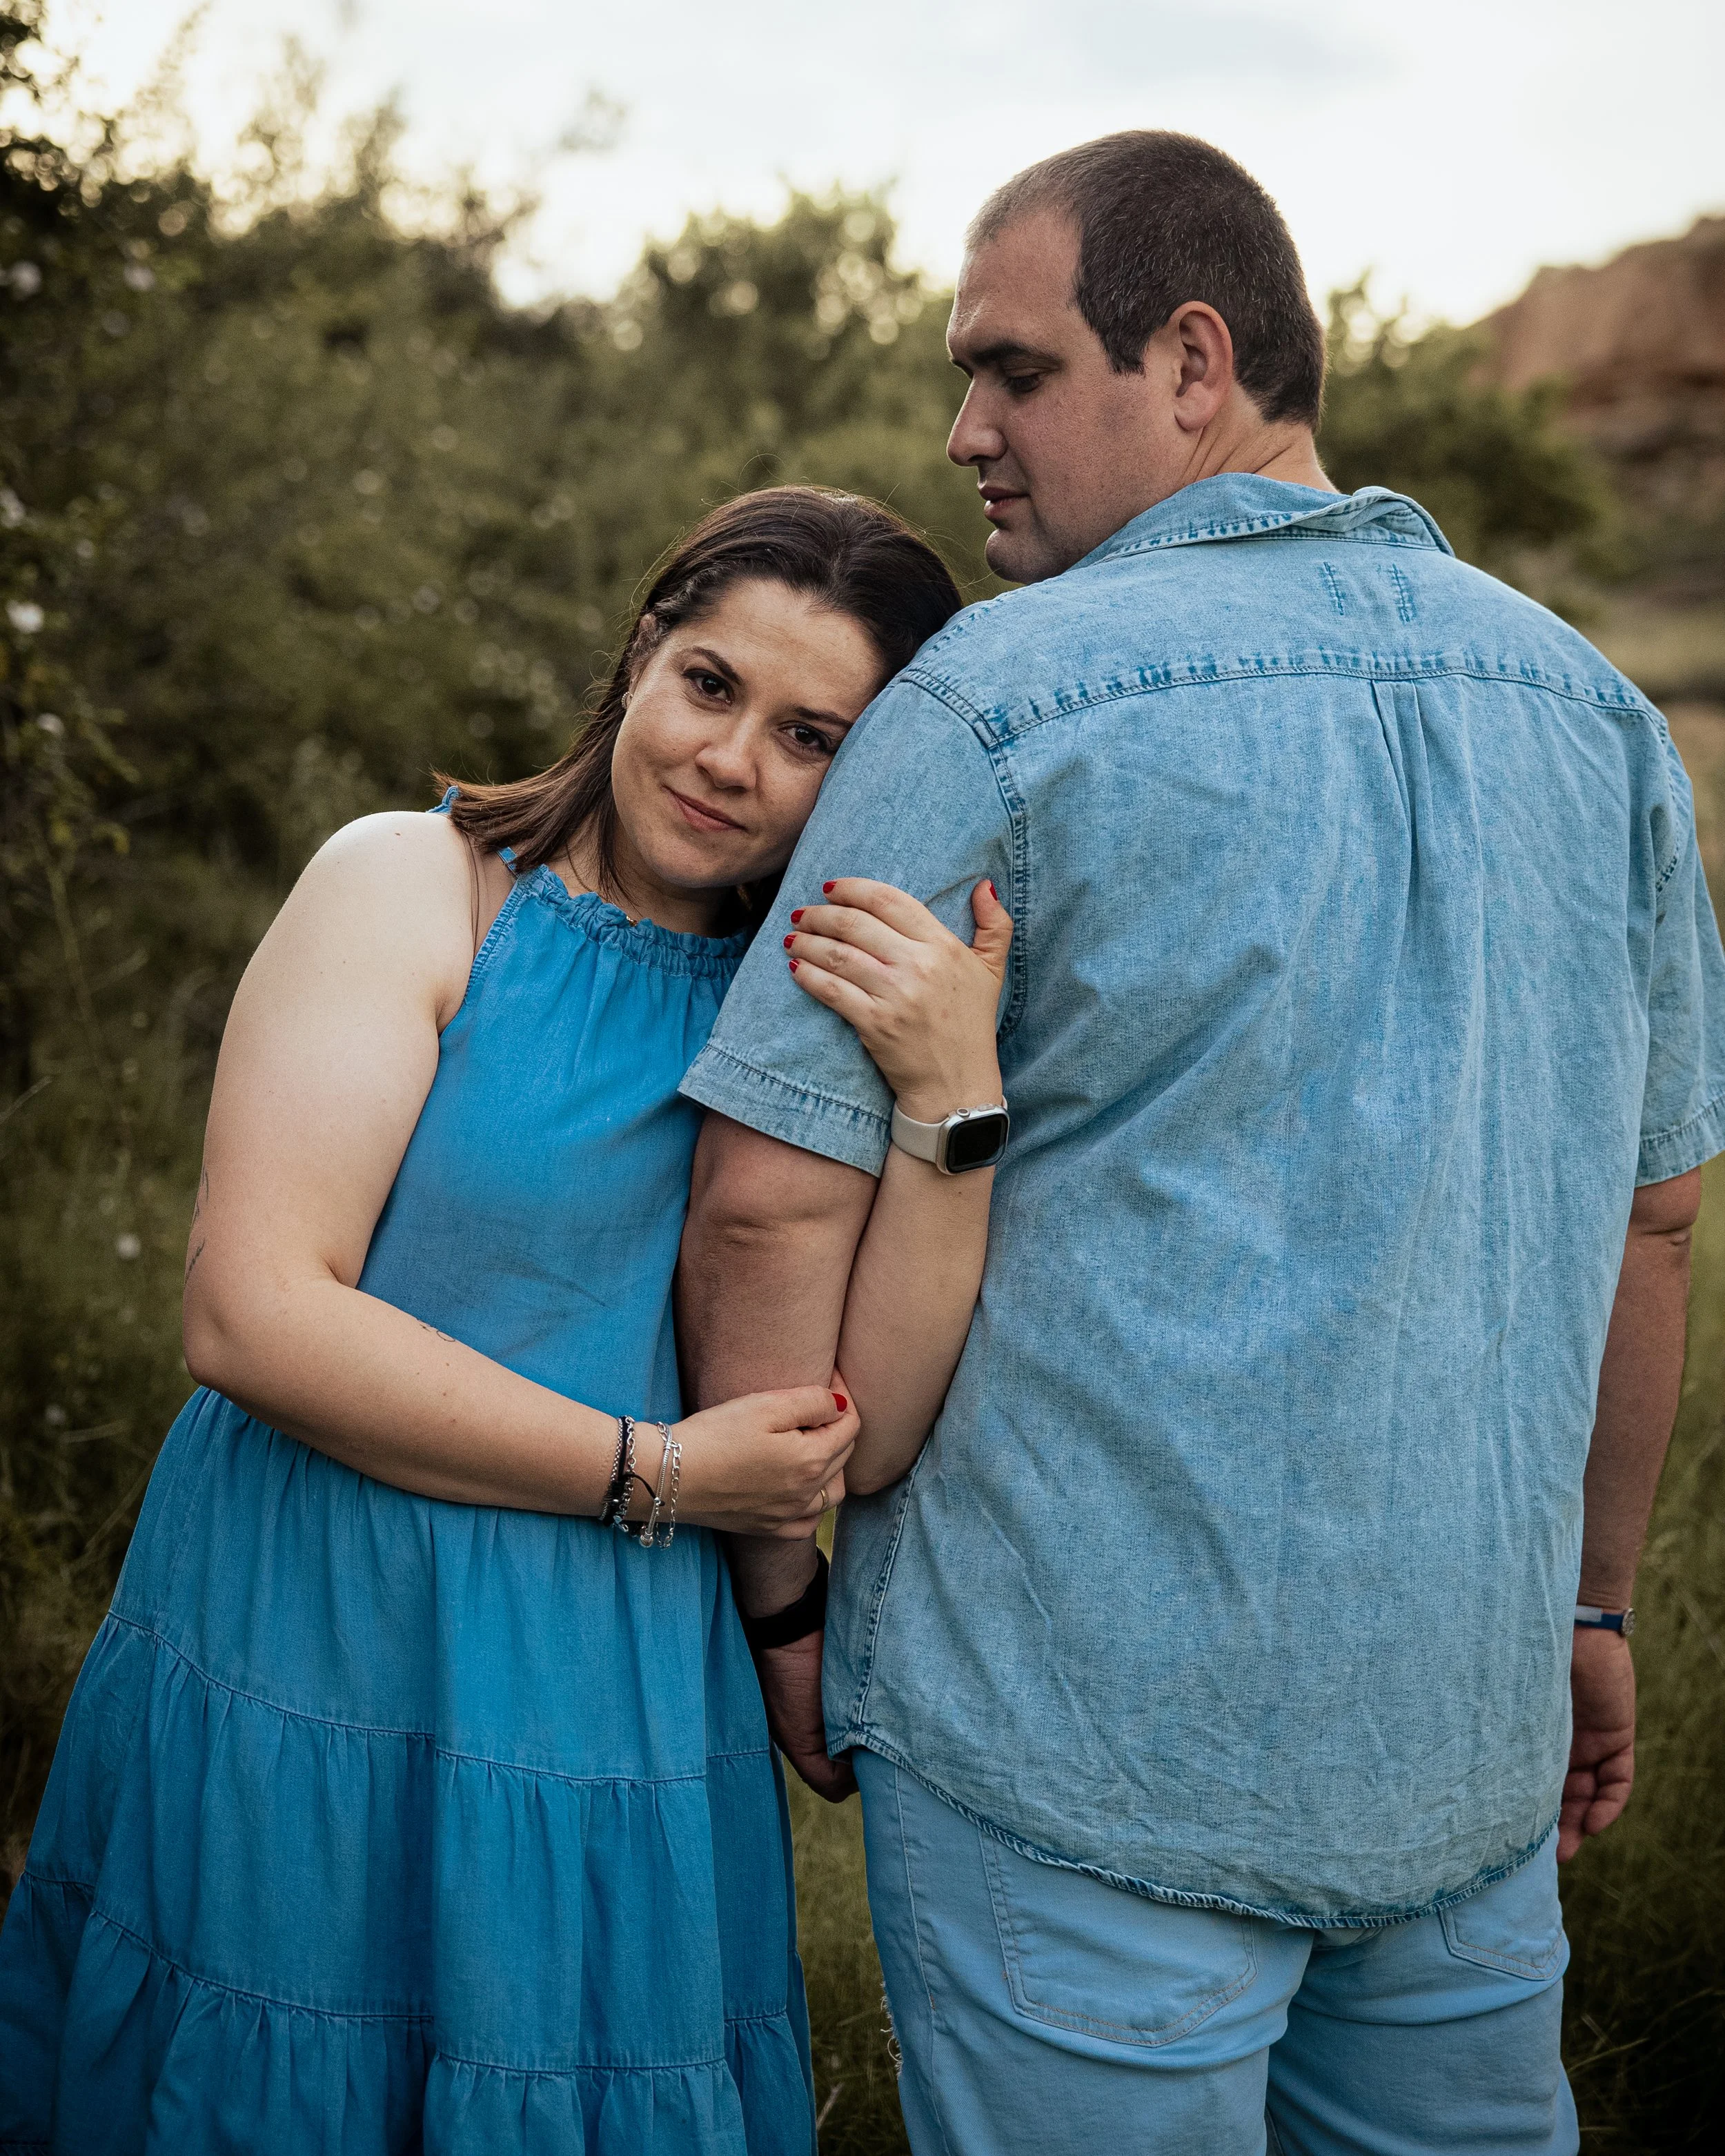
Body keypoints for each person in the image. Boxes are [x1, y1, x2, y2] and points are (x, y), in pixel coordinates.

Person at [676, 135, 1725, 2153]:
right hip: (1463, 1749)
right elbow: (1651, 1227)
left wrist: (784, 1602)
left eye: (1008, 369)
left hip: (1071, 1776)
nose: (960, 429)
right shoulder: (1601, 719)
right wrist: (1591, 1614)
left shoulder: (987, 701)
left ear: (1186, 356)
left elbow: (763, 1197)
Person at [0, 486, 1014, 2155]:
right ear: (636, 656)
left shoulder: (816, 1008)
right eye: (708, 683)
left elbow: (861, 1421)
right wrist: (660, 1473)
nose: (730, 759)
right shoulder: (420, 884)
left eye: (809, 734)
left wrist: (951, 1088)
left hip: (613, 1674)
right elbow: (251, 1312)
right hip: (326, 1605)